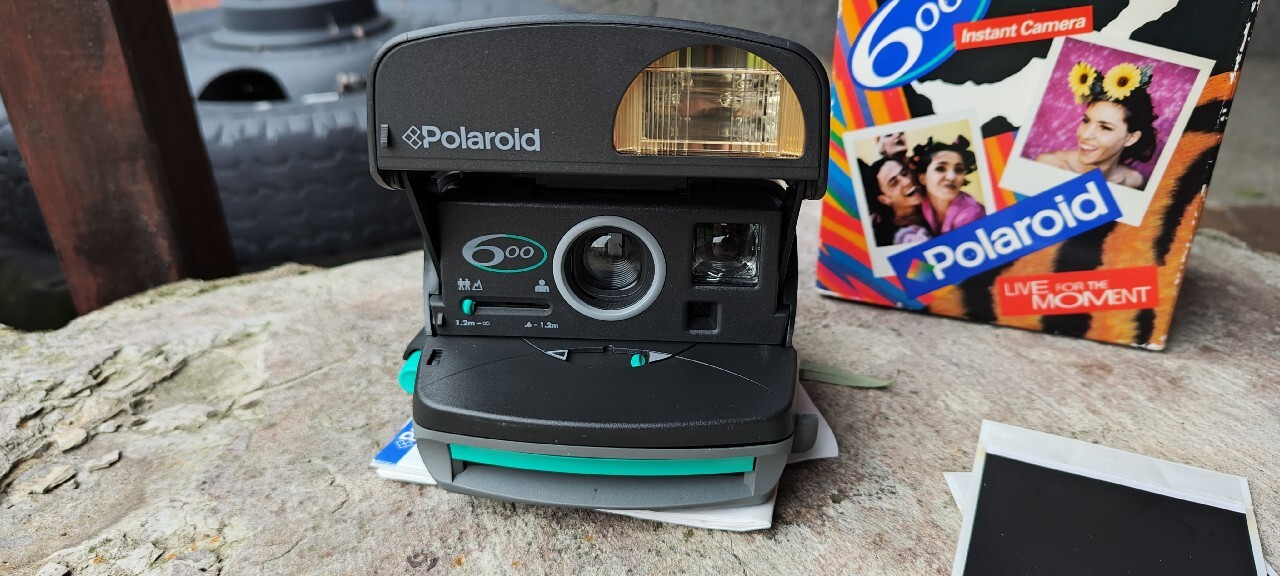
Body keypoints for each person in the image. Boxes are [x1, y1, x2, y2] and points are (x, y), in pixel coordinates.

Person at [1036, 61, 1159, 189]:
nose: (1085, 135)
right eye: (1086, 121)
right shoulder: (1048, 165)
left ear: (1131, 138)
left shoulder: (1132, 181)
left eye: (1105, 127)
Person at [909, 136, 985, 235]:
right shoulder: (916, 199)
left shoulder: (972, 213)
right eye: (940, 168)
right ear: (922, 178)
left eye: (958, 170)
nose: (952, 177)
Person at [861, 157, 931, 247]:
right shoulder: (896, 238)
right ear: (884, 199)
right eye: (894, 183)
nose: (907, 181)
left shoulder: (935, 195)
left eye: (904, 173)